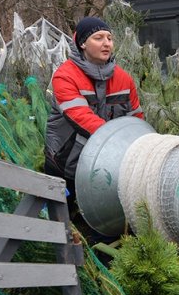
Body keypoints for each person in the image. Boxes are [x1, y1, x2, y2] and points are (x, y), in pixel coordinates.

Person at [44, 17, 144, 207]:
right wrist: (120, 144)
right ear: (82, 43)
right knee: (59, 222)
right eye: (98, 38)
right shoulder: (65, 76)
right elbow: (82, 118)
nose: (106, 43)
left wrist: (144, 148)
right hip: (66, 164)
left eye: (109, 38)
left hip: (105, 167)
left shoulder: (124, 79)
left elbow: (136, 120)